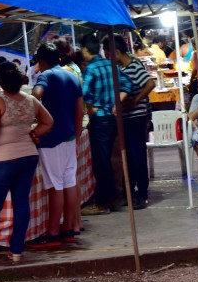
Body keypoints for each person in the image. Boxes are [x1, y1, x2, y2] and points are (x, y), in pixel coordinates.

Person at [0, 63, 53, 268]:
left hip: (4, 159)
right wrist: (34, 133)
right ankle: (16, 251)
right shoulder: (31, 100)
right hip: (28, 157)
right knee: (21, 203)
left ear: (3, 83)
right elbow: (48, 122)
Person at [31, 41, 84, 247]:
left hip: (51, 137)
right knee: (68, 182)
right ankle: (68, 229)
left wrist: (36, 121)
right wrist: (77, 136)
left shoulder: (46, 75)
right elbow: (79, 110)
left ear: (43, 61)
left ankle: (52, 232)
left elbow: (35, 96)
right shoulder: (72, 75)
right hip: (70, 136)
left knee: (55, 185)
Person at [81, 34, 134, 214]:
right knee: (109, 159)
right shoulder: (110, 64)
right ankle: (113, 198)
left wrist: (91, 109)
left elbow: (85, 93)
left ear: (85, 50)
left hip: (100, 120)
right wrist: (117, 102)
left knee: (101, 162)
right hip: (113, 119)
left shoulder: (91, 68)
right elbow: (128, 83)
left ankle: (103, 203)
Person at [107, 34, 156, 210]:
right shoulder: (122, 68)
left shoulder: (134, 65)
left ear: (117, 52)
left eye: (110, 55)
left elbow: (150, 84)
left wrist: (135, 101)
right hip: (127, 118)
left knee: (137, 156)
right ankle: (133, 192)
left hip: (136, 117)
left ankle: (141, 193)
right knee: (129, 156)